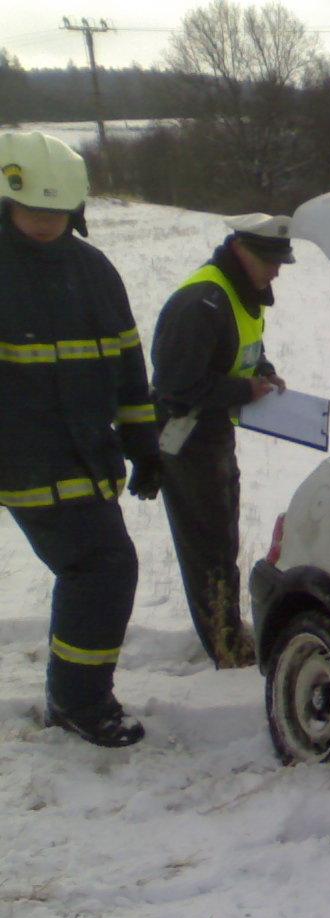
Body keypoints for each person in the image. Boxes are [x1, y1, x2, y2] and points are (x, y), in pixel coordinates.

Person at [0, 131, 159, 747]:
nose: (42, 224)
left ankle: (75, 694)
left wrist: (143, 444)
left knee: (97, 567)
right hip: (23, 457)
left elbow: (126, 364)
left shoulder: (94, 272)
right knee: (102, 565)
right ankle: (78, 699)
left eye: (55, 213)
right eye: (31, 211)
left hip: (85, 453)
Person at [151, 213, 293, 669]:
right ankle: (225, 646)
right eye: (270, 261)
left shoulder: (240, 295)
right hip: (188, 440)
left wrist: (263, 371)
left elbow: (238, 350)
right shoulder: (201, 303)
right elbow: (174, 386)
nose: (276, 271)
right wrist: (241, 391)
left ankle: (227, 631)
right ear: (240, 252)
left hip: (213, 435)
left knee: (221, 538)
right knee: (208, 546)